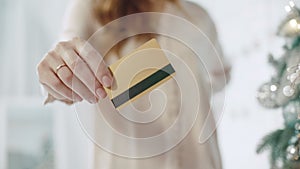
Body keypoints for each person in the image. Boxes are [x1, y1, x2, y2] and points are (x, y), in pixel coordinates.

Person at [37, 0, 231, 168]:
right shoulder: (91, 10)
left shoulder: (198, 17)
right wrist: (59, 70)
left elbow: (220, 76)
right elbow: (69, 49)